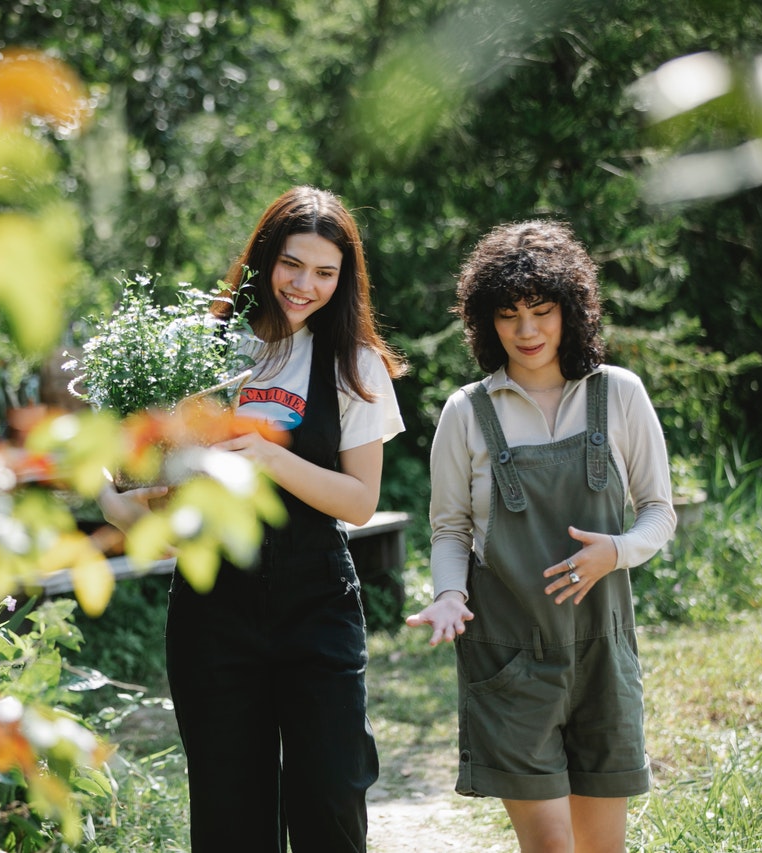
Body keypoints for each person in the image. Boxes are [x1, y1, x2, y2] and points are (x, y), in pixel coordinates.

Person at [99, 185, 407, 852]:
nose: (305, 285)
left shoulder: (355, 365)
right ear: (265, 257)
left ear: (344, 278)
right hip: (215, 607)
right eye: (292, 264)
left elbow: (358, 502)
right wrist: (117, 495)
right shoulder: (196, 351)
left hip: (317, 601)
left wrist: (269, 457)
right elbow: (140, 492)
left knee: (330, 802)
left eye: (326, 273)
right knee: (229, 816)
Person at [405, 220, 677, 852]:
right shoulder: (466, 412)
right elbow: (449, 529)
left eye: (542, 310)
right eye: (507, 315)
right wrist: (449, 594)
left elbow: (658, 511)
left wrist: (618, 551)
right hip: (509, 659)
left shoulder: (620, 394)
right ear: (485, 322)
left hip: (603, 654)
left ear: (571, 310)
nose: (526, 332)